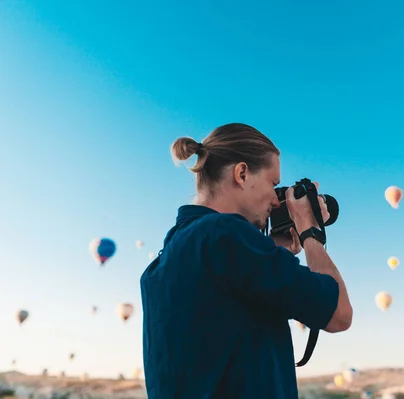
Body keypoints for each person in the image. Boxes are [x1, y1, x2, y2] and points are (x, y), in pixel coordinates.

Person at [140, 122, 353, 399]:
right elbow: (339, 314)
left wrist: (277, 250)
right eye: (273, 183)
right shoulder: (225, 235)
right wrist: (310, 230)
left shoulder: (167, 257)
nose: (277, 202)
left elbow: (226, 336)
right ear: (241, 174)